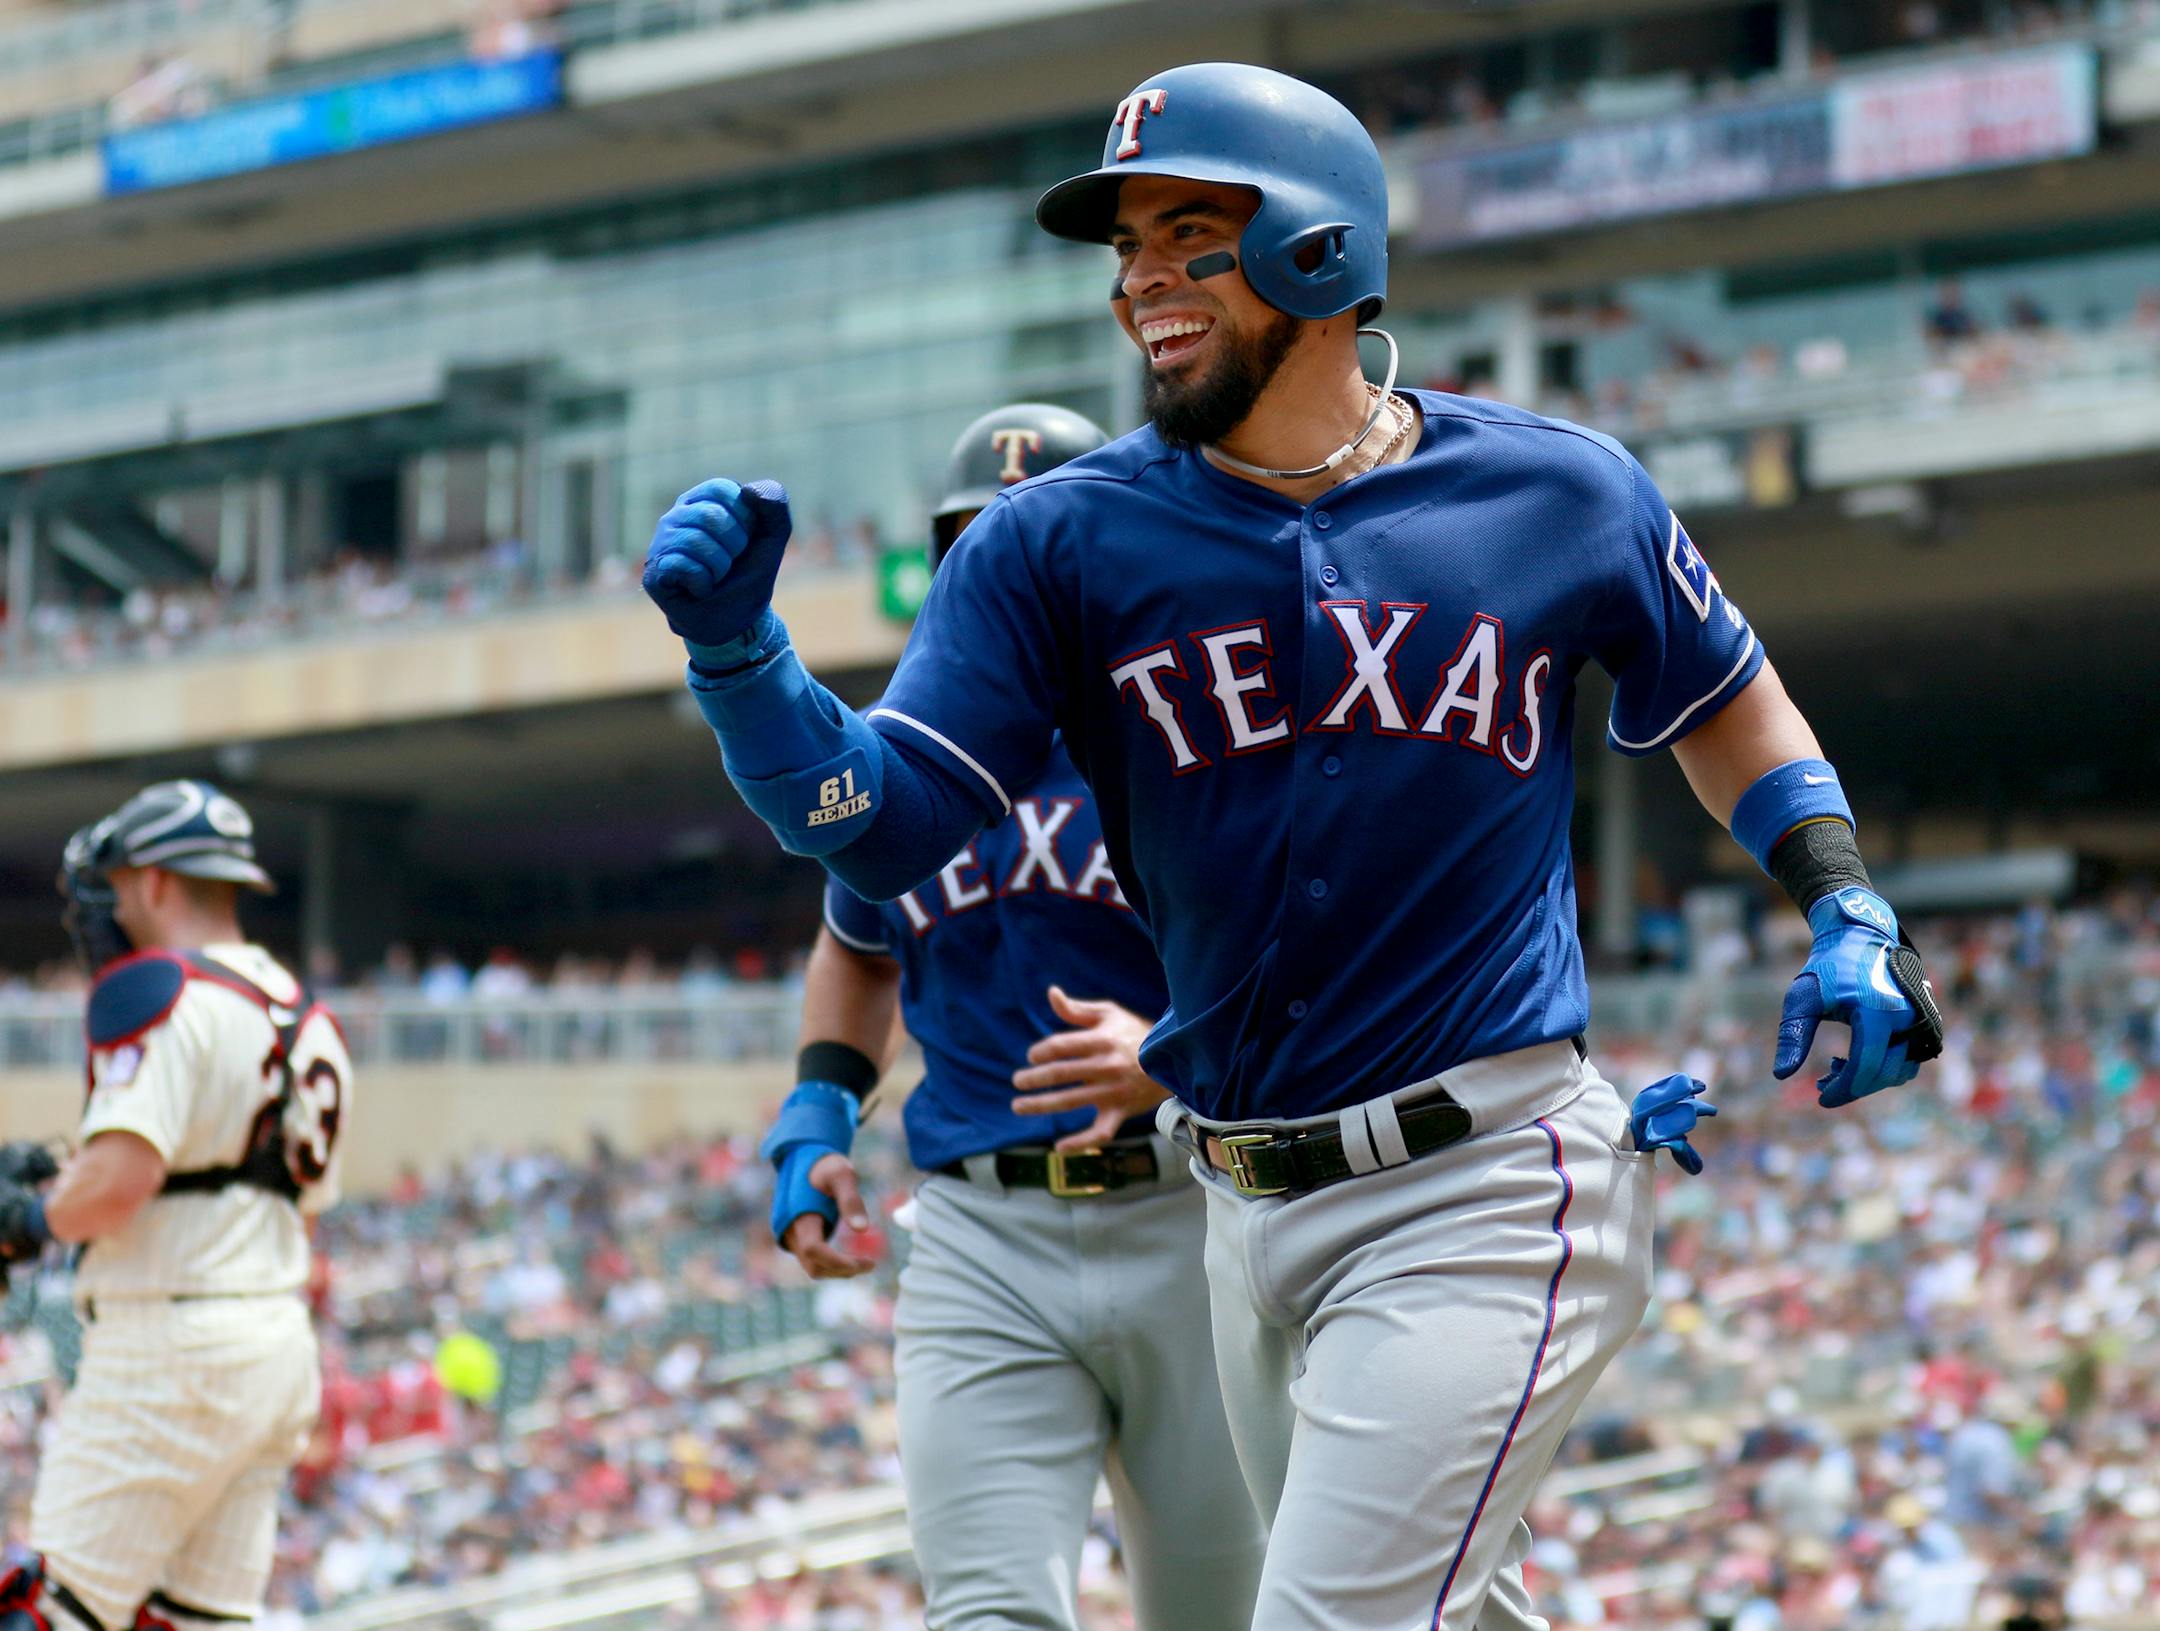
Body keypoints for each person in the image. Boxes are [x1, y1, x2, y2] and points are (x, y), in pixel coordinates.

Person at [640, 62, 1942, 1631]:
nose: (1141, 286)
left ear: (1320, 251)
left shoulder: (1555, 488)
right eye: (1126, 251)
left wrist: (1845, 902)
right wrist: (748, 675)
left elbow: (1730, 700)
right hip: (1239, 1213)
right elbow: (879, 825)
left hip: (1483, 1174)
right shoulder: (1060, 541)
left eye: (1188, 236)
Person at [765, 403, 1264, 1631]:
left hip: (1192, 1210)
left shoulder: (1194, 727)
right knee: (988, 1615)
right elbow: (857, 942)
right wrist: (818, 1109)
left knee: (1222, 1616)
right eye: (975, 541)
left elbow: (1312, 959)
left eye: (1039, 534)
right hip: (981, 1236)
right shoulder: (913, 751)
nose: (1006, 562)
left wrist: (1174, 1055)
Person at [0, 780, 351, 1631]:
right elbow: (264, 1197)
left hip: (171, 1353)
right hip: (273, 1348)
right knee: (193, 1621)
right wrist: (61, 1176)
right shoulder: (308, 1015)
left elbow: (122, 1181)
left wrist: (28, 1220)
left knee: (46, 1611)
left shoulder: (160, 990)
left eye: (116, 883)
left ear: (153, 882)